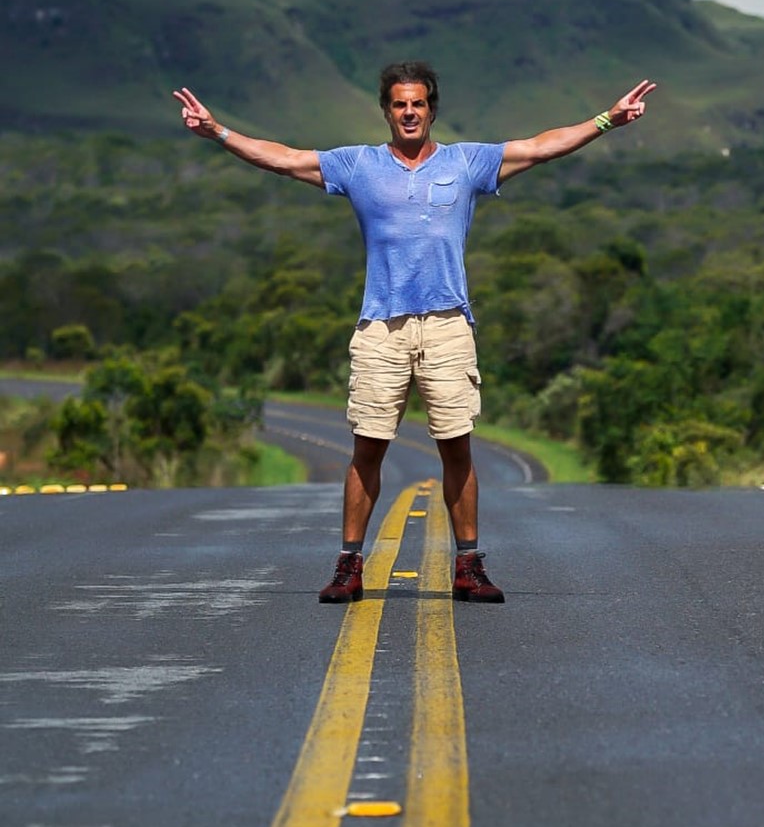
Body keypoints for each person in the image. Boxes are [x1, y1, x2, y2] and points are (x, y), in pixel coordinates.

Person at [173, 64, 655, 604]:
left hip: (448, 324)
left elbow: (541, 147)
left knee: (457, 449)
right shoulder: (358, 165)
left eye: (418, 104)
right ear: (386, 110)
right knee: (368, 450)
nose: (409, 112)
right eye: (400, 104)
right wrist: (217, 132)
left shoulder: (466, 162)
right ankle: (349, 566)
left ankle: (468, 566)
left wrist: (607, 120)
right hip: (381, 326)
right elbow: (283, 159)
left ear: (431, 109)